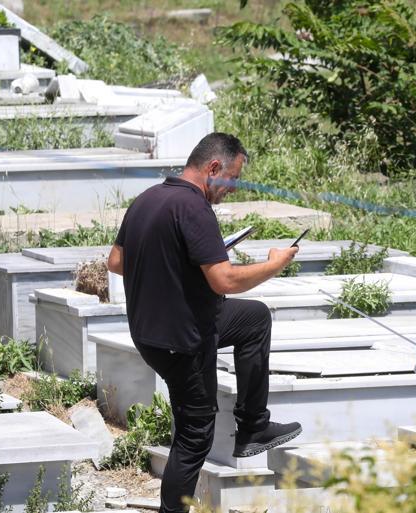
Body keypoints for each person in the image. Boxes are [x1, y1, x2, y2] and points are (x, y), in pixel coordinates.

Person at [107, 132, 302, 513]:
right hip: (183, 339)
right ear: (214, 168)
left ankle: (252, 426)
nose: (232, 188)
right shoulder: (194, 208)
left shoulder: (148, 199)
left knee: (253, 319)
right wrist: (275, 264)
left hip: (152, 332)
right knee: (195, 433)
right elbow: (225, 281)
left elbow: (116, 262)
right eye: (232, 179)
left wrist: (176, 262)